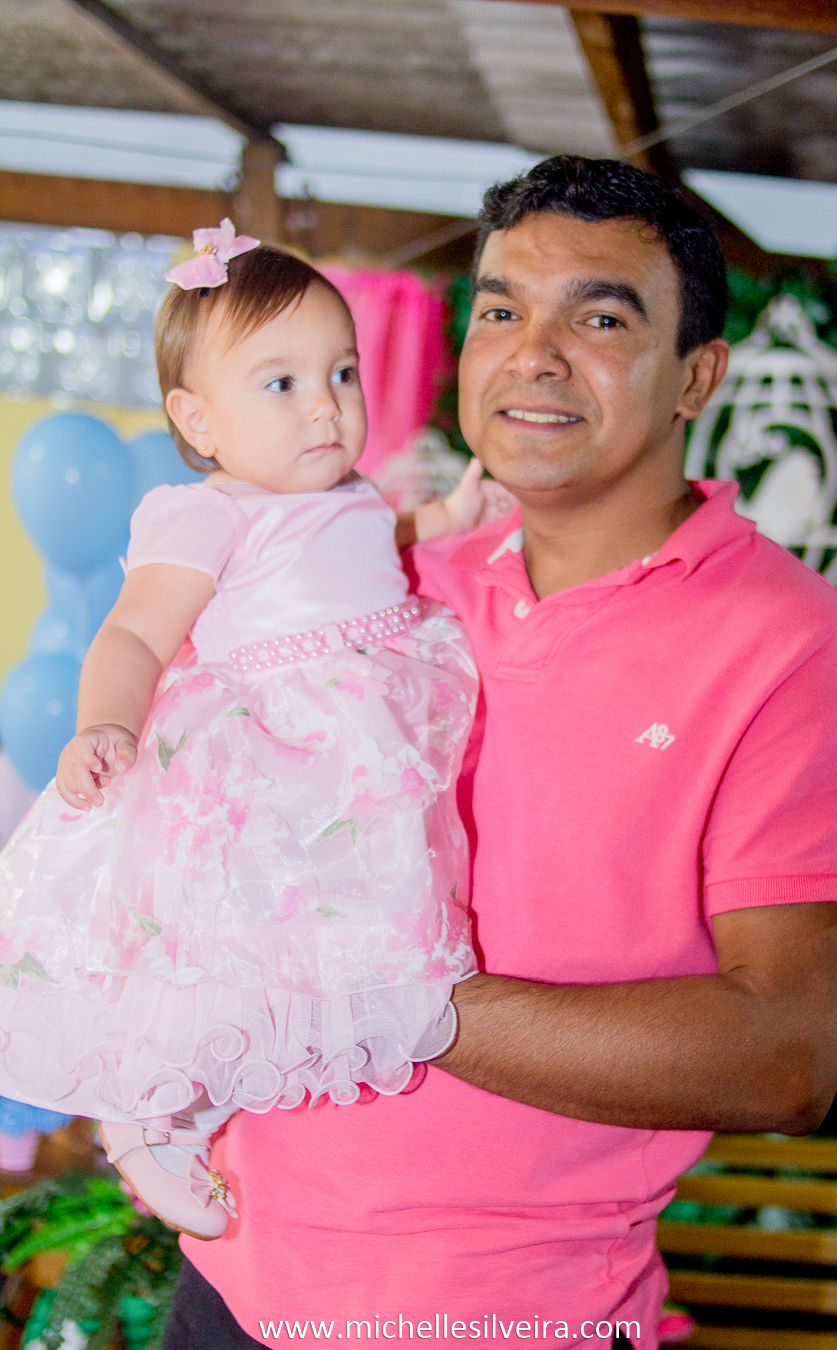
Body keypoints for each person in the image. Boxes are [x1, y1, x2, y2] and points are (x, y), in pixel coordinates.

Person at [166, 158, 837, 1350]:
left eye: (600, 317)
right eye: (502, 308)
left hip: (509, 1318)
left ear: (696, 376)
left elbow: (783, 1058)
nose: (533, 353)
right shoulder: (391, 580)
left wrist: (397, 1001)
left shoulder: (796, 643)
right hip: (235, 1288)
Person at [0, 226, 499, 1239]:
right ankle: (147, 1116)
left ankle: (221, 1099)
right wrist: (105, 720)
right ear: (198, 420)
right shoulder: (206, 514)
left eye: (343, 372)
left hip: (353, 771)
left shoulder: (352, 490)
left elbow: (373, 536)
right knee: (214, 955)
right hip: (260, 765)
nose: (326, 403)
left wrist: (443, 516)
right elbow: (135, 632)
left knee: (325, 945)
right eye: (281, 383)